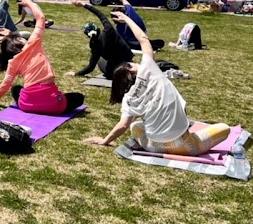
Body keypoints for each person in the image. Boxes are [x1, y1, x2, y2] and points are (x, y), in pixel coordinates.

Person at [85, 11, 230, 155]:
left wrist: (105, 141)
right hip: (186, 146)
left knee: (135, 125)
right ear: (131, 71)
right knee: (224, 128)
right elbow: (143, 38)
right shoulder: (149, 70)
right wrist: (126, 19)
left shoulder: (128, 100)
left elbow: (123, 125)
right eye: (132, 64)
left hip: (154, 146)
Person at [0, 0, 84, 115]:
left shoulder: (12, 62)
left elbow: (4, 86)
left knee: (16, 89)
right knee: (78, 98)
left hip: (26, 105)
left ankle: (38, 102)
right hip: (54, 105)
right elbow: (41, 18)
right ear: (19, 41)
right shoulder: (32, 44)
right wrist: (28, 2)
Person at [70, 0, 136, 80]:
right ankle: (129, 68)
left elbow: (91, 67)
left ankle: (124, 71)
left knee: (101, 63)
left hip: (115, 69)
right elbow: (100, 14)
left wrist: (76, 73)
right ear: (97, 29)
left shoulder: (95, 46)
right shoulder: (109, 29)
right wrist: (84, 4)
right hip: (127, 57)